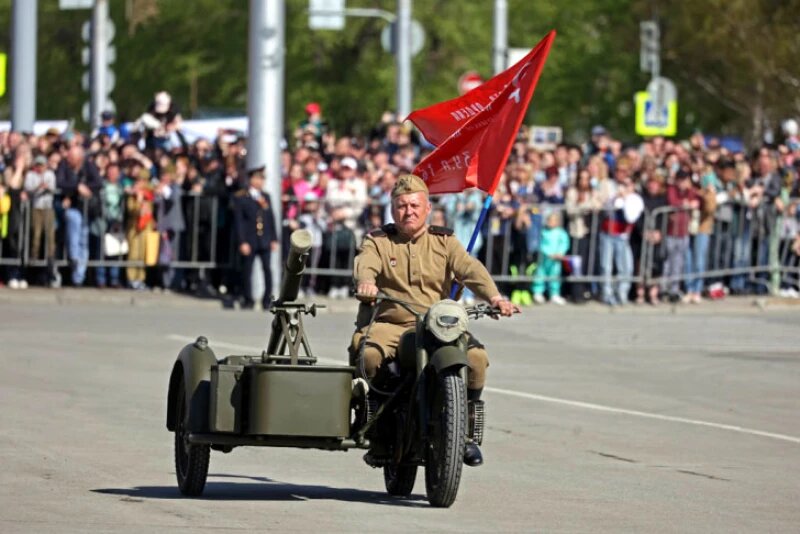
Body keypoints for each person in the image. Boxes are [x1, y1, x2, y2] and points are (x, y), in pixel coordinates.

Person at [350, 174, 519, 467]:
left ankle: (464, 432)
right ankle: (378, 428)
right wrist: (366, 283)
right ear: (393, 210)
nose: (409, 211)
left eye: (415, 205)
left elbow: (469, 269)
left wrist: (495, 298)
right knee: (368, 355)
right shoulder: (379, 241)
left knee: (477, 359)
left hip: (437, 325)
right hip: (390, 323)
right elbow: (366, 264)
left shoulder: (445, 241)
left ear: (428, 208)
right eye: (401, 206)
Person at [232, 166, 279, 310]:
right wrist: (242, 241)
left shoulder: (266, 197)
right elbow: (239, 222)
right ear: (251, 179)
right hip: (250, 239)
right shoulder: (242, 197)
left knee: (267, 269)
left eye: (262, 178)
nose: (260, 181)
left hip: (264, 239)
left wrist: (274, 238)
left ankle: (267, 300)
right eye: (257, 178)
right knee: (247, 270)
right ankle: (248, 299)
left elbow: (271, 218)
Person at [24, 155, 57, 286]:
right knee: (36, 233)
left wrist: (46, 187)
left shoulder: (50, 175)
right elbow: (28, 189)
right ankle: (34, 256)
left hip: (48, 207)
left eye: (42, 165)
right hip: (36, 206)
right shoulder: (31, 175)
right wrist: (39, 186)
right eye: (38, 165)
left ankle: (50, 257)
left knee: (50, 235)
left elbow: (53, 188)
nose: (40, 167)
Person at [531, 211, 570, 305]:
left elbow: (564, 243)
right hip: (544, 258)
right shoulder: (544, 232)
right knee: (540, 275)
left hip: (556, 259)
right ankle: (538, 292)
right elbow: (540, 244)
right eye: (549, 220)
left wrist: (560, 253)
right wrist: (548, 253)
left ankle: (554, 294)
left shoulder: (561, 233)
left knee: (555, 276)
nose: (551, 222)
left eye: (553, 221)